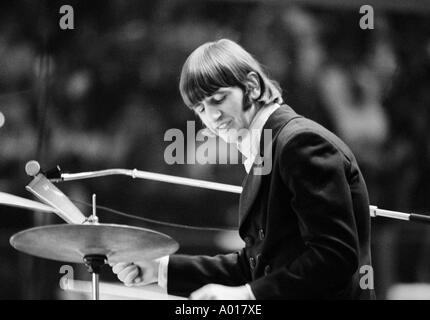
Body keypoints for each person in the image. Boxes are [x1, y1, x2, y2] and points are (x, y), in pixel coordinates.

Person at [111, 39, 375, 300]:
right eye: (201, 108)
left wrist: (248, 295)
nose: (212, 117)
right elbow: (255, 266)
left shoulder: (299, 143)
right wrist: (161, 269)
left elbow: (335, 257)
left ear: (251, 86)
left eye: (219, 99)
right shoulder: (267, 148)